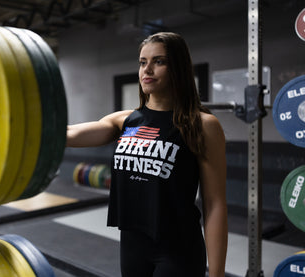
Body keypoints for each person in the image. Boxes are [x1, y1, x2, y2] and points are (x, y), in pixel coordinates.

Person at [66, 32, 227, 277]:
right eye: (143, 62)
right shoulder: (124, 120)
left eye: (159, 61)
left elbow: (214, 203)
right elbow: (70, 134)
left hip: (178, 250)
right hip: (132, 245)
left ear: (178, 68)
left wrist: (217, 274)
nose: (147, 69)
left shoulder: (203, 125)